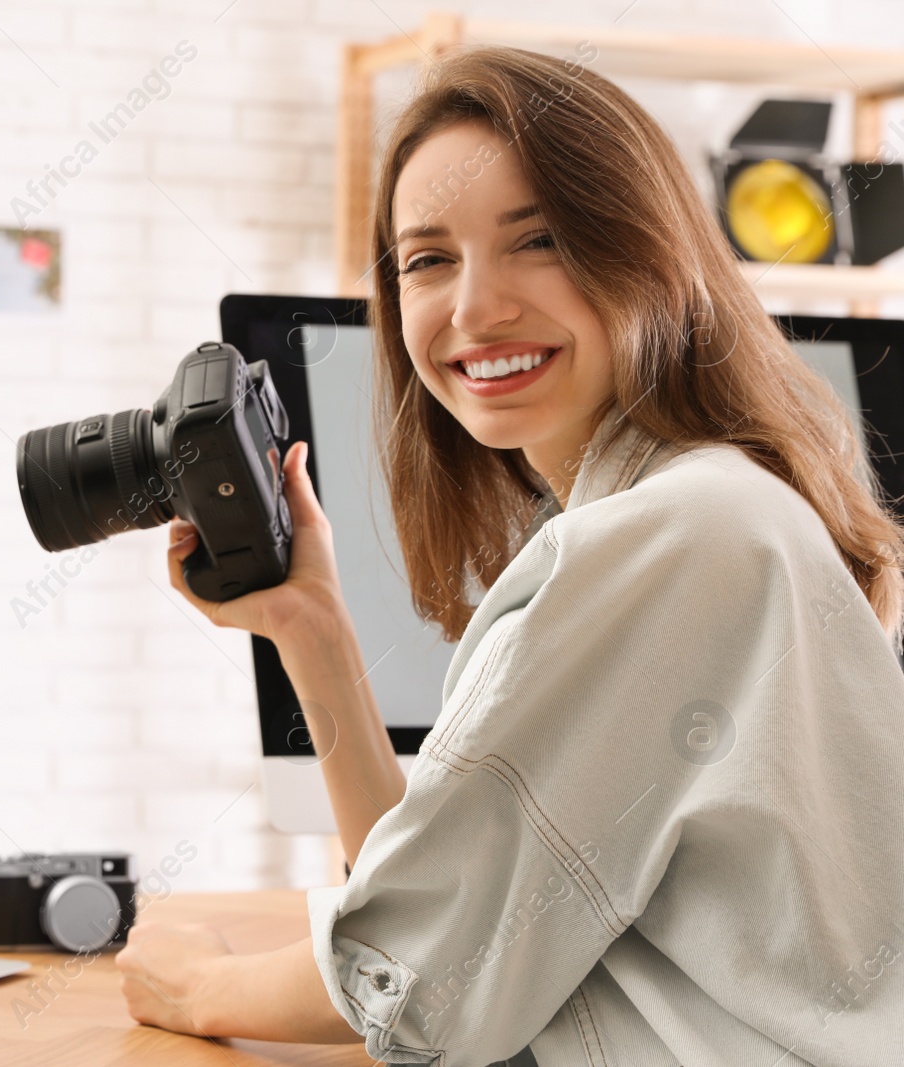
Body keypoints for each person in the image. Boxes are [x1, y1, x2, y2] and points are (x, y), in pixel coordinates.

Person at [116, 45, 904, 1065]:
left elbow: (421, 971)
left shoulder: (674, 533)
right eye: (428, 259)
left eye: (538, 241)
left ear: (648, 253)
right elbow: (456, 896)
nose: (474, 307)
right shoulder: (706, 505)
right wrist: (310, 629)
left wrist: (199, 986)